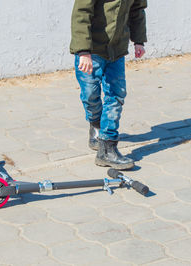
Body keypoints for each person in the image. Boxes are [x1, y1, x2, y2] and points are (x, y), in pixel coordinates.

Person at [70, 0, 147, 170]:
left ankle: (107, 147)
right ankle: (96, 123)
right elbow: (81, 13)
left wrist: (139, 40)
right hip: (91, 51)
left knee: (116, 94)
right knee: (90, 93)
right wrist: (83, 51)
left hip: (117, 50)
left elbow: (137, 10)